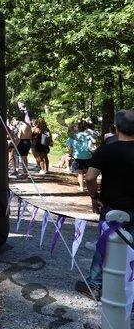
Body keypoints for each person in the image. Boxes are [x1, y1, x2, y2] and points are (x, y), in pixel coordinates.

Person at [75, 109, 134, 299]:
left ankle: (95, 284)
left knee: (105, 244)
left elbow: (90, 177)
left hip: (112, 207)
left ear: (116, 128)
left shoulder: (106, 150)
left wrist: (94, 196)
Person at [67, 121, 94, 192]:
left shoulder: (72, 137)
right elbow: (90, 147)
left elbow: (70, 148)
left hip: (78, 156)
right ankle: (89, 187)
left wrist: (70, 154)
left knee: (80, 173)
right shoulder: (88, 136)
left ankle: (81, 187)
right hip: (88, 156)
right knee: (88, 172)